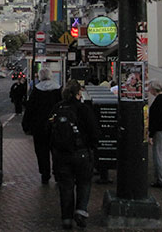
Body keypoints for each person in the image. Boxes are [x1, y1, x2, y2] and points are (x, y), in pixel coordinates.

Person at [49, 80, 99, 230]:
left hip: (62, 154)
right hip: (82, 152)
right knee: (84, 183)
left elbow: (48, 129)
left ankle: (66, 218)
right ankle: (81, 211)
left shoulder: (58, 108)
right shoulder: (84, 109)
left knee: (66, 186)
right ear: (79, 94)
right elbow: (94, 131)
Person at [22, 67, 62, 184]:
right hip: (55, 126)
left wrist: (26, 125)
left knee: (41, 151)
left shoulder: (36, 90)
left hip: (39, 126)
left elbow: (30, 109)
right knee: (56, 150)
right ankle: (57, 172)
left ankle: (45, 173)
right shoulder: (58, 89)